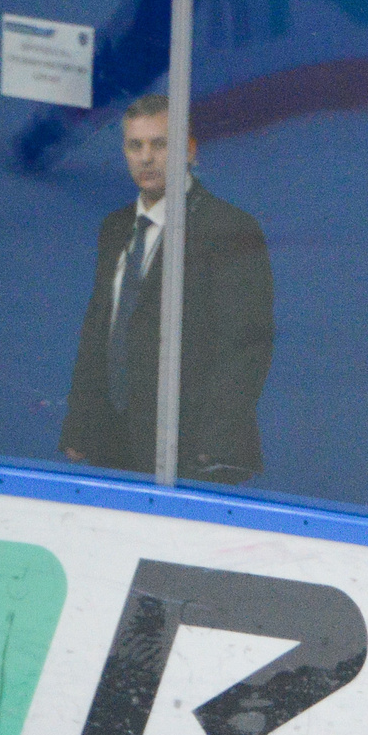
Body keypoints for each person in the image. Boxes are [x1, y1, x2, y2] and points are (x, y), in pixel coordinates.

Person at [62, 94, 275, 484]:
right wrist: (80, 426)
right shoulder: (115, 228)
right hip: (116, 448)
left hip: (193, 460)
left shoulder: (229, 229)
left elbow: (246, 350)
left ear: (190, 151)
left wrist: (207, 452)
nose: (146, 158)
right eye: (135, 145)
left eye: (160, 145)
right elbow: (100, 331)